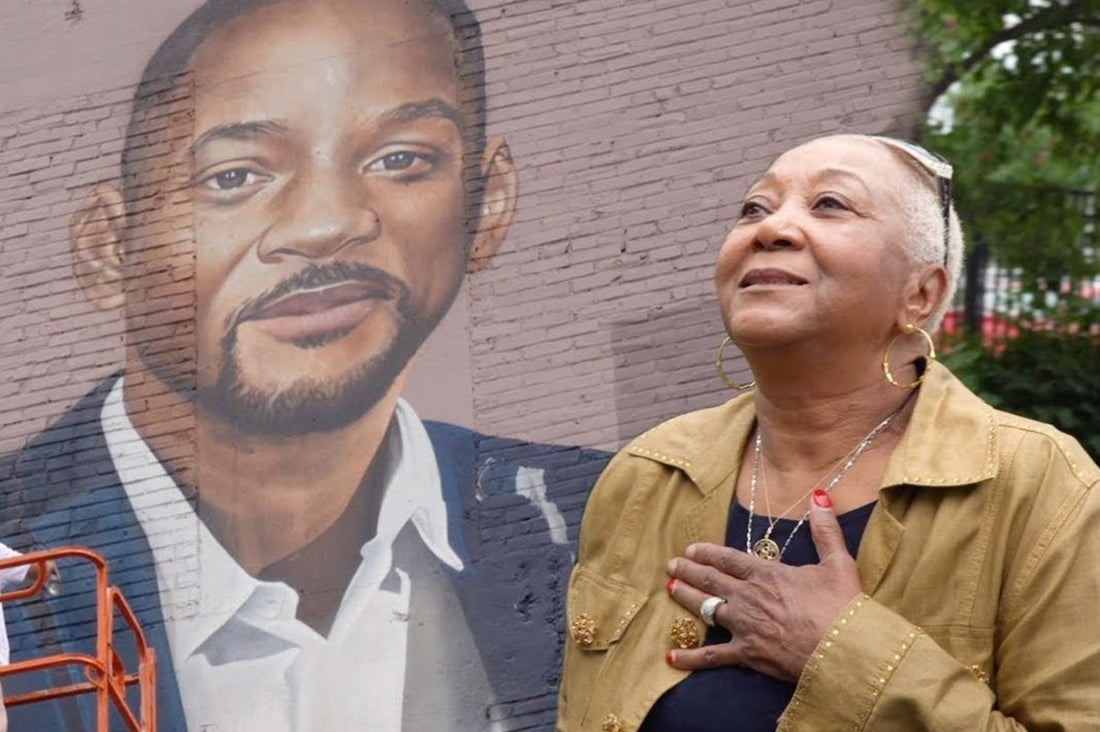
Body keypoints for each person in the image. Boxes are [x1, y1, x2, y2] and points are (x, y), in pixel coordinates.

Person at [0, 0, 605, 729]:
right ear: (109, 250)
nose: (328, 223)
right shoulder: (20, 547)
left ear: (488, 203)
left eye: (400, 159)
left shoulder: (610, 525)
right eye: (235, 176)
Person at [558, 134, 1100, 730]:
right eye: (754, 208)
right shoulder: (648, 473)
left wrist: (840, 653)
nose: (771, 229)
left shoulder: (1044, 488)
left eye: (830, 205)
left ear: (921, 294)